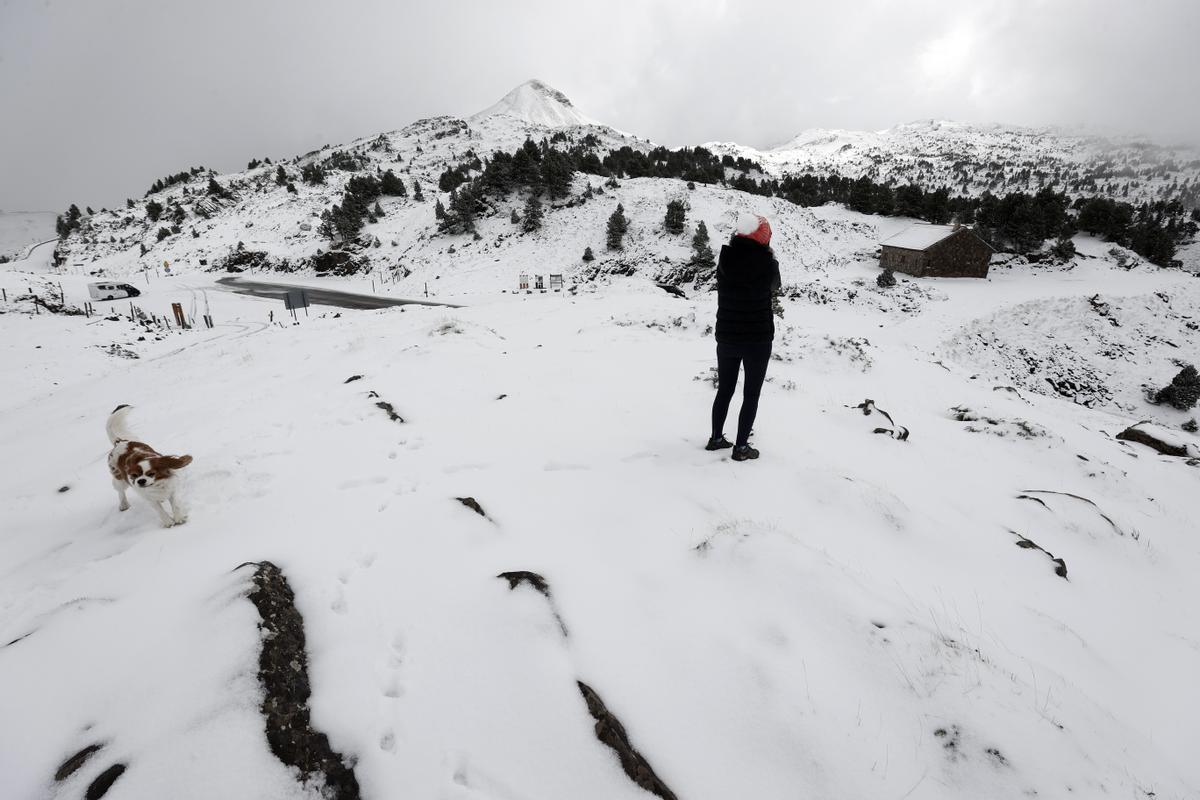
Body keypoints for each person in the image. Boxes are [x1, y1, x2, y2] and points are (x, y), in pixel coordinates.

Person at [707, 212, 781, 461]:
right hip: (757, 340)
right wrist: (770, 259)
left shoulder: (725, 260)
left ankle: (716, 438)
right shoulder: (769, 265)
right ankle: (741, 448)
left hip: (726, 336)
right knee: (751, 394)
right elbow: (775, 286)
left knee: (725, 389)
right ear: (764, 239)